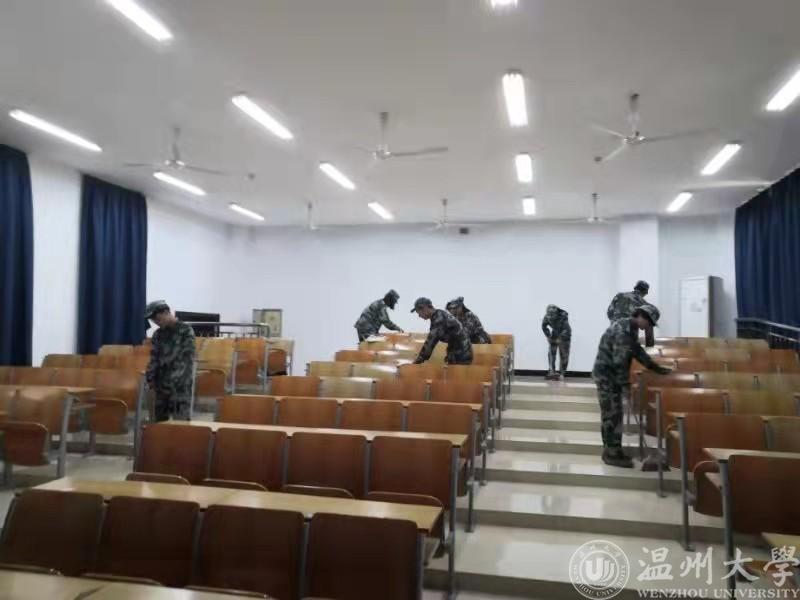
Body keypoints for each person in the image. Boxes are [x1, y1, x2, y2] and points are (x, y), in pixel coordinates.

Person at [592, 304, 671, 468]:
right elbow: (619, 361)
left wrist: (656, 368)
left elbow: (637, 352)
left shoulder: (630, 328)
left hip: (612, 377)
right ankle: (611, 454)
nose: (648, 327)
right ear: (641, 316)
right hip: (607, 377)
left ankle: (614, 450)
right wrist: (626, 387)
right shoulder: (623, 330)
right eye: (649, 323)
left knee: (615, 415)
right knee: (611, 415)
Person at [144, 300, 196, 422]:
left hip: (180, 386)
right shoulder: (158, 334)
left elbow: (186, 359)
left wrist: (173, 382)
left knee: (180, 423)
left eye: (157, 319)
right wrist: (150, 379)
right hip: (161, 386)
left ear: (166, 312)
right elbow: (154, 359)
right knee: (159, 422)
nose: (156, 323)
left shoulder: (185, 330)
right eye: (153, 320)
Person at [410, 297, 473, 365]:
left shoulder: (439, 319)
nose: (419, 316)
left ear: (424, 308)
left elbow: (431, 341)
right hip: (458, 351)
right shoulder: (438, 315)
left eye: (418, 312)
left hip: (461, 353)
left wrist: (418, 360)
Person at [607, 280, 655, 347]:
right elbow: (648, 327)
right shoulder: (644, 304)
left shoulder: (619, 295)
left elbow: (609, 312)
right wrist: (650, 346)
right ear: (645, 292)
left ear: (635, 288)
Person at [541, 304, 571, 380]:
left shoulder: (563, 317)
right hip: (555, 334)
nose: (550, 317)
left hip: (565, 336)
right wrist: (548, 336)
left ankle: (562, 374)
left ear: (556, 314)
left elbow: (566, 330)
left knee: (564, 355)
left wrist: (560, 339)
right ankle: (552, 372)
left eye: (552, 315)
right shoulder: (547, 316)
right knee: (551, 353)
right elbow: (544, 326)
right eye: (549, 315)